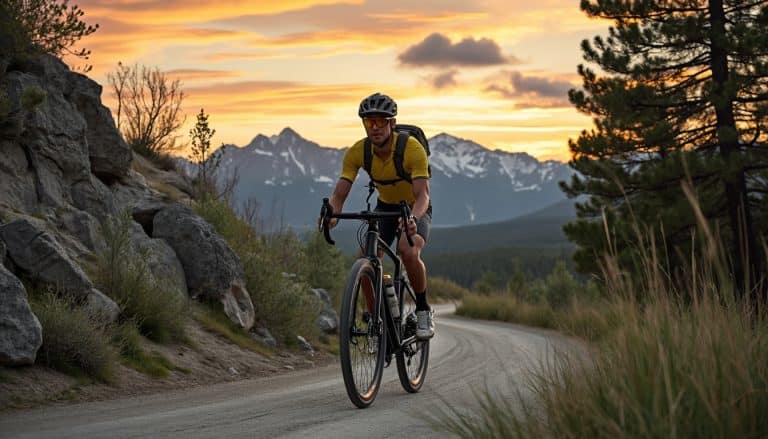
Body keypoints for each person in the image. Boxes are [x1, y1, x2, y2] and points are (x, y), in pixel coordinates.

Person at [324, 92, 434, 339]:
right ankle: (378, 320)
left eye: (380, 121)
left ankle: (423, 310)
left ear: (392, 123)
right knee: (365, 258)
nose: (374, 127)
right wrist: (333, 212)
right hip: (385, 206)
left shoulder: (411, 149)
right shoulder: (358, 152)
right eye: (368, 122)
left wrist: (413, 219)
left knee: (408, 251)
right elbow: (340, 192)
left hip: (414, 207)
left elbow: (423, 195)